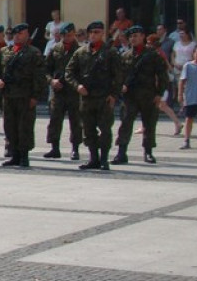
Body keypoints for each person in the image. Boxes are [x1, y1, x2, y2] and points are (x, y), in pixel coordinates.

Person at [65, 21, 123, 171]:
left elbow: (118, 76)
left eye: (97, 32)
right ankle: (93, 158)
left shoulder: (110, 52)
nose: (93, 35)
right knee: (88, 130)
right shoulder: (80, 53)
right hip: (86, 98)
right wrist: (77, 86)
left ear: (102, 33)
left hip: (104, 98)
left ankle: (104, 159)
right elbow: (69, 72)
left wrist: (113, 95)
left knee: (105, 130)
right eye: (91, 32)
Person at [0, 22, 47, 168]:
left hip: (25, 96)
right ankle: (14, 155)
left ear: (27, 35)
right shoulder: (5, 51)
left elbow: (39, 76)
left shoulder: (34, 53)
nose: (17, 36)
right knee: (10, 126)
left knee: (25, 127)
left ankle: (24, 156)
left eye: (20, 33)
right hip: (8, 96)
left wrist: (35, 96)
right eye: (15, 34)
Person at [112, 25, 168, 165]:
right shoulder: (125, 56)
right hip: (130, 96)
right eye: (131, 36)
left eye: (136, 36)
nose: (133, 39)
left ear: (143, 36)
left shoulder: (153, 55)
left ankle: (148, 152)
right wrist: (120, 87)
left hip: (148, 94)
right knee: (125, 123)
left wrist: (159, 93)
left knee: (149, 124)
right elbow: (119, 75)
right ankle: (121, 152)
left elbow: (162, 75)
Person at [41, 22, 82, 160]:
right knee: (55, 120)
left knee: (75, 121)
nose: (67, 38)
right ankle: (54, 148)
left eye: (70, 35)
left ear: (74, 34)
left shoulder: (80, 50)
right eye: (64, 35)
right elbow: (46, 70)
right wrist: (51, 81)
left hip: (73, 91)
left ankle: (75, 148)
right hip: (58, 91)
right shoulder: (55, 49)